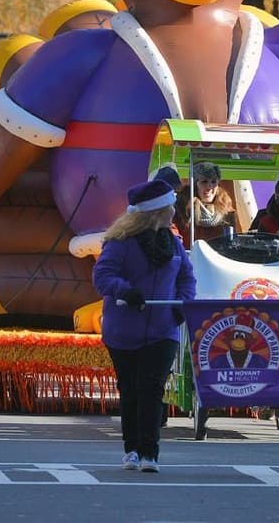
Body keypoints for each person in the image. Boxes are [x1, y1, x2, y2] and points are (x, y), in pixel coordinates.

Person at [93, 179, 196, 474]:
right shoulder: (121, 242)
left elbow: (187, 278)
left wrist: (181, 304)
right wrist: (125, 291)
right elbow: (103, 275)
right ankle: (132, 449)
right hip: (124, 330)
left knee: (151, 388)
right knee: (130, 389)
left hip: (163, 328)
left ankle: (150, 452)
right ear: (157, 212)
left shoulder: (173, 243)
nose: (174, 211)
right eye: (170, 206)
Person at [176, 161, 236, 246]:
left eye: (213, 182)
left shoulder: (227, 210)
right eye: (204, 182)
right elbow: (174, 235)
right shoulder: (181, 207)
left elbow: (232, 241)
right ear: (195, 185)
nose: (209, 187)